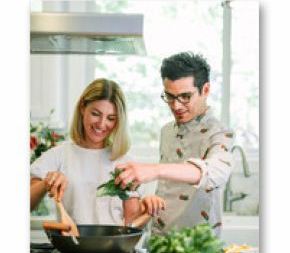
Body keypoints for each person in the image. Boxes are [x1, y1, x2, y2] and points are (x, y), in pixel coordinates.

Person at [115, 51, 235, 236]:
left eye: (185, 96)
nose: (176, 106)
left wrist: (154, 170)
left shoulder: (220, 133)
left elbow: (215, 173)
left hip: (196, 249)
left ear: (205, 90)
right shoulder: (167, 131)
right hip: (159, 240)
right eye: (170, 96)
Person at [30, 78, 165, 226]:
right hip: (72, 246)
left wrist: (148, 207)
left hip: (114, 247)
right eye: (95, 113)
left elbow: (130, 223)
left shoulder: (126, 163)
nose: (101, 124)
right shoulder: (58, 156)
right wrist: (46, 183)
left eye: (111, 118)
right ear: (82, 108)